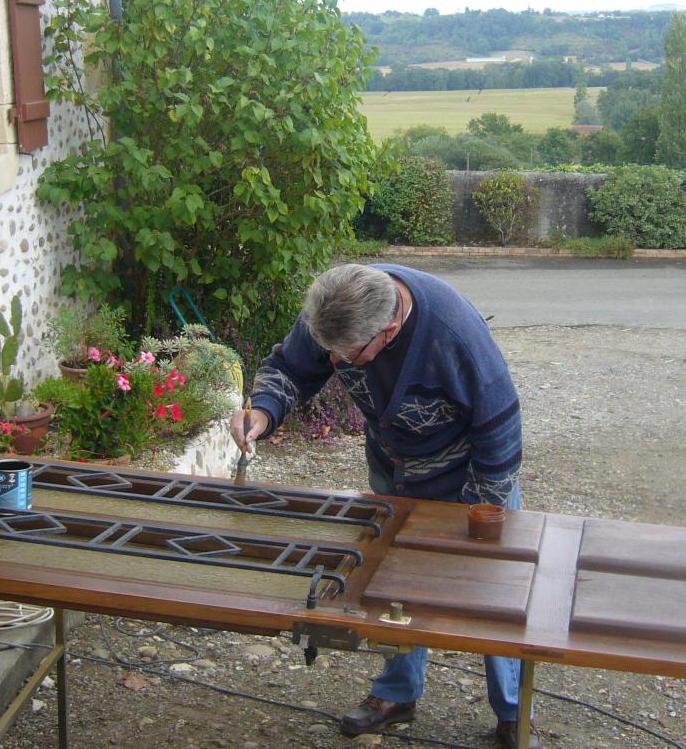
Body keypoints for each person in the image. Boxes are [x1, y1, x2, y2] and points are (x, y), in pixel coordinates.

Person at [231, 263, 541, 749]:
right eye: (329, 351)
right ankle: (398, 694)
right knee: (392, 581)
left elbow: (500, 427)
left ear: (390, 330)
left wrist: (483, 518)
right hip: (395, 470)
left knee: (493, 593)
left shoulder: (454, 334)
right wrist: (264, 413)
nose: (332, 361)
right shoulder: (337, 306)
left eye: (345, 357)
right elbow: (290, 368)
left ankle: (511, 712)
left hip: (470, 478)